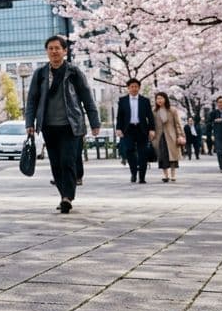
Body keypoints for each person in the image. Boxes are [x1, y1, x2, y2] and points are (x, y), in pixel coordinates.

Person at [25, 35, 101, 214]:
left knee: (67, 160)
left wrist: (94, 122)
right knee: (56, 163)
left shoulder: (74, 72)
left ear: (65, 51)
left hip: (70, 124)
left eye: (57, 48)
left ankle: (67, 196)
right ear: (46, 51)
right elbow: (32, 100)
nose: (54, 51)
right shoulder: (40, 74)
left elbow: (87, 98)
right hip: (48, 126)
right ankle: (63, 195)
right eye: (50, 48)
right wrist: (30, 122)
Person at [114, 78, 155, 184]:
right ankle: (133, 173)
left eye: (136, 87)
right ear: (128, 88)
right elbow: (119, 117)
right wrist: (118, 128)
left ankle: (142, 177)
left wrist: (152, 129)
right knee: (129, 151)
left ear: (139, 88)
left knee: (143, 153)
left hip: (142, 129)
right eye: (131, 87)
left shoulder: (145, 101)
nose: (134, 89)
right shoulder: (122, 101)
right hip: (128, 130)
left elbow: (150, 116)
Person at [152, 92, 184, 183]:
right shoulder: (154, 111)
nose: (159, 100)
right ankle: (165, 175)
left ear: (165, 99)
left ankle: (173, 175)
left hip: (171, 136)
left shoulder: (172, 110)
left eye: (161, 98)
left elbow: (177, 124)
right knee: (162, 155)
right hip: (159, 136)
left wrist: (180, 135)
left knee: (173, 155)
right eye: (157, 98)